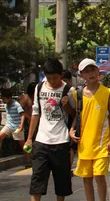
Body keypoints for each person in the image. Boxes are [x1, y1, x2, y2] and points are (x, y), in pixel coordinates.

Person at [26, 58, 74, 201]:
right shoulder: (39, 88)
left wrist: (66, 106)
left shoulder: (68, 90)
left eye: (55, 78)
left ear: (61, 75)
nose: (52, 81)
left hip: (61, 141)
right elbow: (36, 113)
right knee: (37, 182)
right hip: (41, 141)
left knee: (62, 183)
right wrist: (29, 138)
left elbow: (74, 114)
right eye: (49, 78)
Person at [70, 58, 110, 201]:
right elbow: (77, 116)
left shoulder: (107, 92)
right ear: (81, 75)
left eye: (93, 70)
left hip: (102, 143)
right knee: (87, 178)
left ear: (98, 71)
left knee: (99, 175)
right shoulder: (77, 94)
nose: (91, 74)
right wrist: (71, 130)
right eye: (86, 72)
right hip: (84, 143)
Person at [0, 88, 28, 166]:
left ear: (9, 98)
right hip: (8, 125)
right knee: (0, 137)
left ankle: (29, 160)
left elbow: (22, 115)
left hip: (16, 127)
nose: (3, 101)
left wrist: (21, 125)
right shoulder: (6, 105)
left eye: (4, 99)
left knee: (23, 145)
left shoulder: (16, 104)